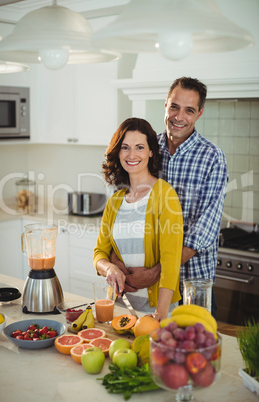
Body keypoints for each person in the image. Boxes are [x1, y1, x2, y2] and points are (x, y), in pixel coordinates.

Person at [110, 77, 228, 318]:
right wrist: (115, 259)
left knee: (193, 352)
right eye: (174, 106)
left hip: (191, 285)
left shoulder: (212, 157)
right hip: (143, 287)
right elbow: (122, 209)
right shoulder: (146, 146)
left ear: (199, 113)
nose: (179, 116)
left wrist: (157, 271)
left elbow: (204, 230)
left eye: (189, 110)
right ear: (165, 105)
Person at [93, 117, 183, 322]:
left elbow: (171, 261)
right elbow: (99, 254)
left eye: (139, 147)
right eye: (125, 147)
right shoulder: (115, 201)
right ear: (118, 152)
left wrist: (160, 313)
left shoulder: (165, 194)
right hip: (118, 305)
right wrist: (110, 268)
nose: (132, 155)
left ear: (151, 151)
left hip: (155, 307)